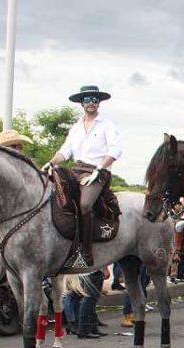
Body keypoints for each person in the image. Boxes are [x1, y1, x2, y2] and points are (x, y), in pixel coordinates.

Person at [44, 85, 123, 267]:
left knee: (85, 204)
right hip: (77, 170)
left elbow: (115, 150)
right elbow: (65, 151)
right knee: (54, 195)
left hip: (98, 171)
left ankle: (85, 251)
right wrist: (51, 162)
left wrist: (99, 169)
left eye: (95, 99)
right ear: (81, 103)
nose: (91, 103)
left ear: (99, 103)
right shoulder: (76, 127)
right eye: (87, 99)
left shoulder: (107, 125)